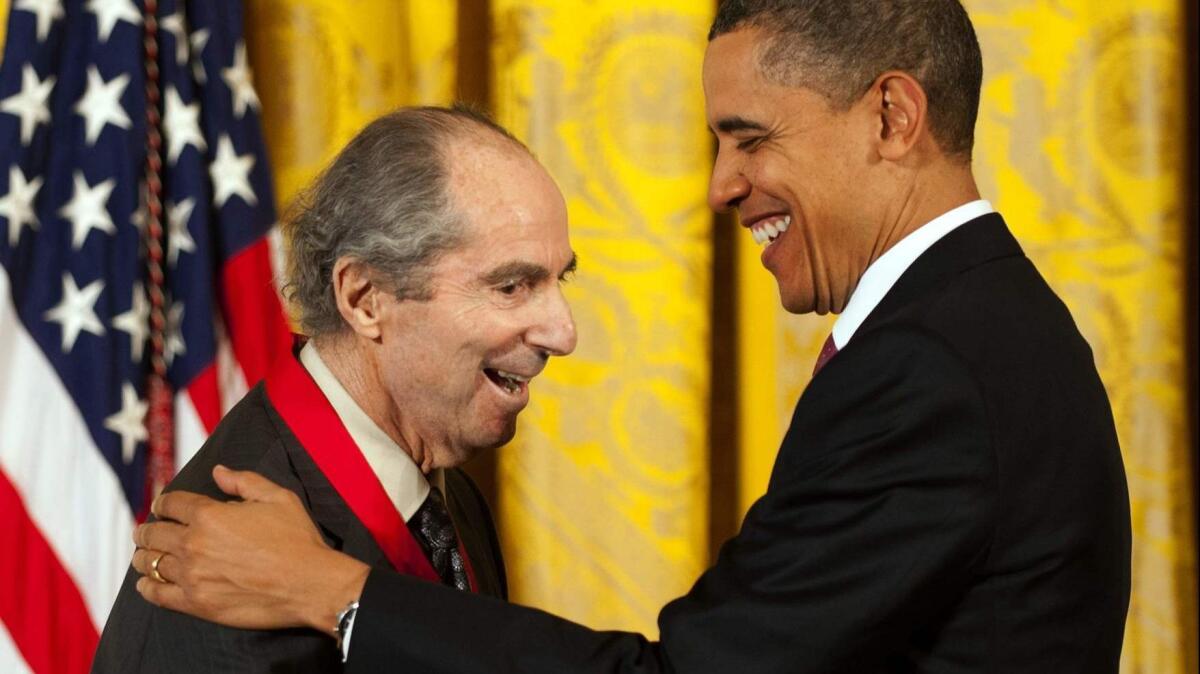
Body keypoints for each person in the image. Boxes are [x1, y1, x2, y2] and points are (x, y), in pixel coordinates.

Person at [127, 1, 1132, 671]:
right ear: (364, 298)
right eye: (511, 281)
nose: (720, 186)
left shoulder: (932, 366)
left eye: (751, 135)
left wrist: (338, 594)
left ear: (892, 116)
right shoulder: (218, 549)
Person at [91, 106, 578, 672]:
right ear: (365, 298)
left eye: (558, 278)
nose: (563, 333)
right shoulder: (224, 564)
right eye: (512, 286)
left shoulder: (452, 500)